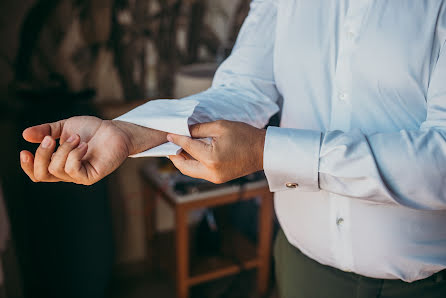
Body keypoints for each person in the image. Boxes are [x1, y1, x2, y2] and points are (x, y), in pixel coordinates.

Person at [19, 1, 446, 297]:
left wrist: (268, 151)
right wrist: (130, 131)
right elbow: (245, 88)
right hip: (300, 269)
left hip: (427, 281)